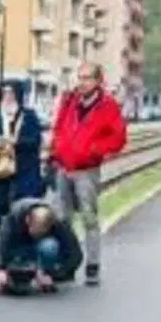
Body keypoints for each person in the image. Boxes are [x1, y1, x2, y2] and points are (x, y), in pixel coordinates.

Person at [49, 64, 128, 287]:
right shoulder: (70, 101)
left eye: (87, 78)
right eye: (80, 77)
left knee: (88, 218)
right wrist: (56, 149)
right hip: (64, 167)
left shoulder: (108, 106)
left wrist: (94, 149)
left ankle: (93, 265)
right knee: (62, 219)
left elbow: (118, 139)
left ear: (97, 81)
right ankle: (67, 263)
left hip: (86, 170)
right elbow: (59, 126)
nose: (82, 82)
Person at [0, 195, 83, 295]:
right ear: (27, 220)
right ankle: (6, 277)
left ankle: (45, 272)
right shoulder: (13, 215)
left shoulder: (59, 221)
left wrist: (55, 275)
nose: (38, 234)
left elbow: (75, 255)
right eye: (36, 230)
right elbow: (1, 241)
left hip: (40, 249)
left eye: (42, 232)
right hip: (17, 247)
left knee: (49, 246)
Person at [0, 81, 44, 231]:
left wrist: (16, 142)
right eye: (5, 94)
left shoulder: (29, 117)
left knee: (21, 211)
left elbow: (35, 141)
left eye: (11, 94)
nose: (8, 97)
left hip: (24, 170)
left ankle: (16, 241)